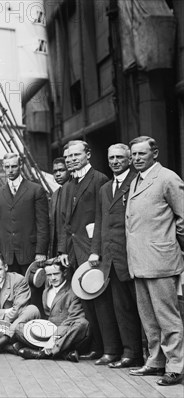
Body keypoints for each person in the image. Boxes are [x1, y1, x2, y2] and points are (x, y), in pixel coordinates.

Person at [125, 136, 184, 386]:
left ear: (155, 153)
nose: (136, 158)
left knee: (167, 317)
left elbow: (182, 219)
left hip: (160, 260)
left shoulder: (168, 178)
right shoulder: (135, 181)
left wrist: (175, 249)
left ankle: (176, 366)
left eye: (141, 154)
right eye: (134, 154)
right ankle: (156, 361)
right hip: (139, 262)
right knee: (149, 318)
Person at [57, 140, 120, 363]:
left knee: (102, 302)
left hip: (94, 252)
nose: (72, 159)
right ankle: (96, 346)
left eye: (76, 155)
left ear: (88, 155)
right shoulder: (67, 186)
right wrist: (62, 249)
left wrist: (96, 251)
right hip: (75, 252)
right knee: (86, 303)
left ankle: (111, 349)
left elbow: (103, 220)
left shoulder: (99, 180)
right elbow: (64, 222)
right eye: (68, 157)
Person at [89, 144, 143, 368]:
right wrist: (95, 251)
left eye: (120, 157)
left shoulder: (137, 183)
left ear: (129, 159)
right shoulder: (106, 188)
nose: (115, 161)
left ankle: (136, 353)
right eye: (111, 157)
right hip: (109, 258)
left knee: (134, 309)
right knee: (115, 307)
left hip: (131, 257)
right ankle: (117, 351)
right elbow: (100, 222)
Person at [16, 260, 88, 362]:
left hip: (65, 333)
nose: (53, 278)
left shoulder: (72, 291)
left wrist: (55, 336)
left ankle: (43, 353)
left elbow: (74, 317)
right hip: (50, 332)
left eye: (56, 274)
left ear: (64, 273)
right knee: (19, 327)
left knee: (82, 323)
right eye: (49, 275)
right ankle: (64, 354)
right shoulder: (46, 291)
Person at [0, 153, 49, 275]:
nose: (10, 170)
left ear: (21, 165)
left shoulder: (35, 190)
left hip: (30, 253)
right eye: (7, 167)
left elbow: (42, 224)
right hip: (7, 254)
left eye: (14, 166)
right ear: (3, 167)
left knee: (32, 290)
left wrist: (41, 251)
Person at [48, 157, 70, 257]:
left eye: (61, 170)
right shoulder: (55, 195)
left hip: (70, 247)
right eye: (55, 171)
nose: (58, 174)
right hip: (57, 248)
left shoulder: (72, 189)